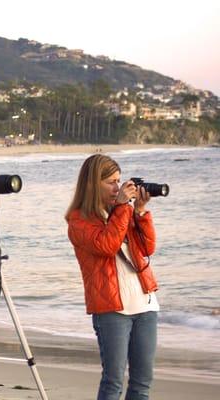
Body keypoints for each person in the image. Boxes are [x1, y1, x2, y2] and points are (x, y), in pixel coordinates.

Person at [66, 154, 159, 400]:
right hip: (111, 309)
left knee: (142, 383)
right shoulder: (78, 221)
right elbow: (107, 245)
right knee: (113, 382)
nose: (117, 188)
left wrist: (139, 212)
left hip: (145, 304)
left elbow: (147, 248)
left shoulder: (123, 213)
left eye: (119, 181)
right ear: (92, 184)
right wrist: (121, 208)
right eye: (110, 182)